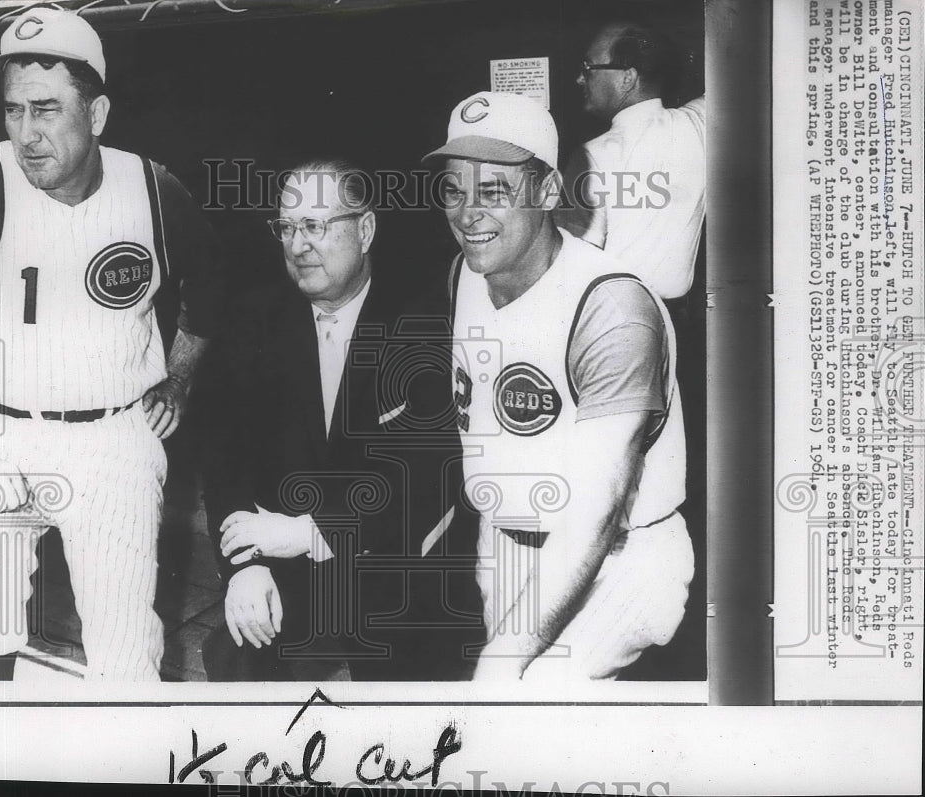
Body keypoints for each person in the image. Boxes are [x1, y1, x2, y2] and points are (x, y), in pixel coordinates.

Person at [0, 8, 220, 681]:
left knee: (126, 658)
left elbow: (213, 284)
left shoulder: (151, 188)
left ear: (96, 113)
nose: (26, 134)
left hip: (112, 442)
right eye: (12, 111)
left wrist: (177, 376)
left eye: (46, 110)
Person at [423, 90, 694, 680]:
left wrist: (508, 653)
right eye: (453, 189)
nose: (467, 213)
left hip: (617, 559)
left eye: (493, 191)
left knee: (528, 693)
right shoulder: (465, 274)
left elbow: (594, 514)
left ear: (547, 191)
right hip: (506, 546)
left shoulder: (612, 307)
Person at [201, 158, 482, 682]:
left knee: (421, 700)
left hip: (389, 559)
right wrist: (246, 565)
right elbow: (224, 457)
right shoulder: (253, 319)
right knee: (236, 653)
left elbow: (422, 479)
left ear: (366, 228)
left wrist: (308, 533)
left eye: (315, 225)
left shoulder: (422, 325)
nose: (297, 244)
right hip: (281, 553)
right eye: (286, 227)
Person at [555, 22, 705, 300]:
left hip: (614, 314)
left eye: (589, 67)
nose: (580, 79)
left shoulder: (590, 156)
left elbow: (571, 262)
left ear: (627, 78)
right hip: (681, 319)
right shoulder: (698, 124)